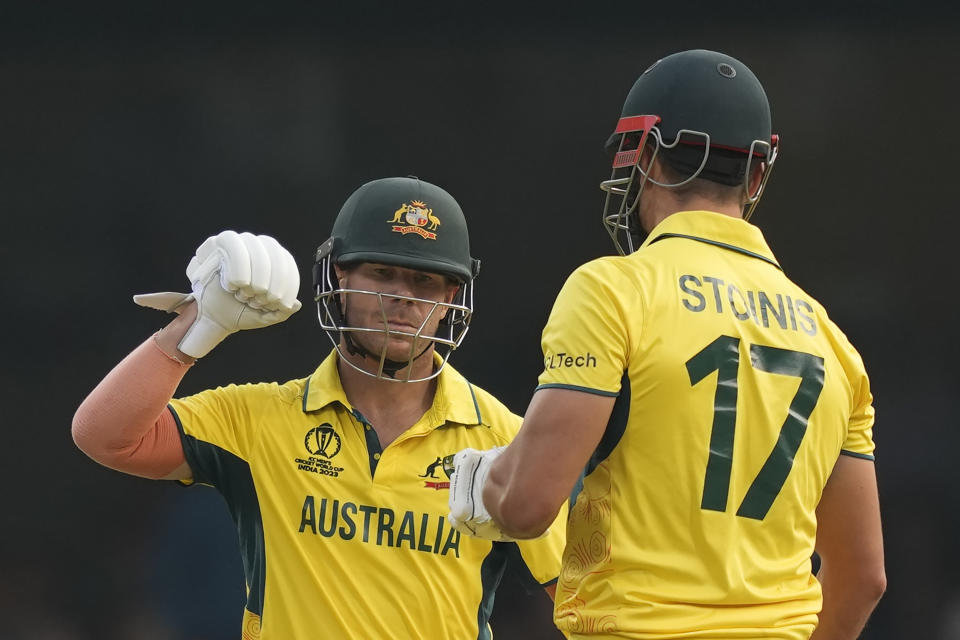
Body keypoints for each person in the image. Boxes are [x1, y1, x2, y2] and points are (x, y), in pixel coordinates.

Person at [448, 49, 886, 639]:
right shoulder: (835, 345)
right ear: (758, 175)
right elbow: (863, 577)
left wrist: (487, 483)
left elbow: (527, 507)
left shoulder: (613, 289)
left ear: (646, 156)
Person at [72, 176, 566, 639]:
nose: (403, 297)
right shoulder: (258, 420)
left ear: (452, 296)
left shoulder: (510, 440)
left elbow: (584, 601)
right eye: (382, 272)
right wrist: (199, 324)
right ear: (338, 276)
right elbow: (105, 435)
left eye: (426, 281)